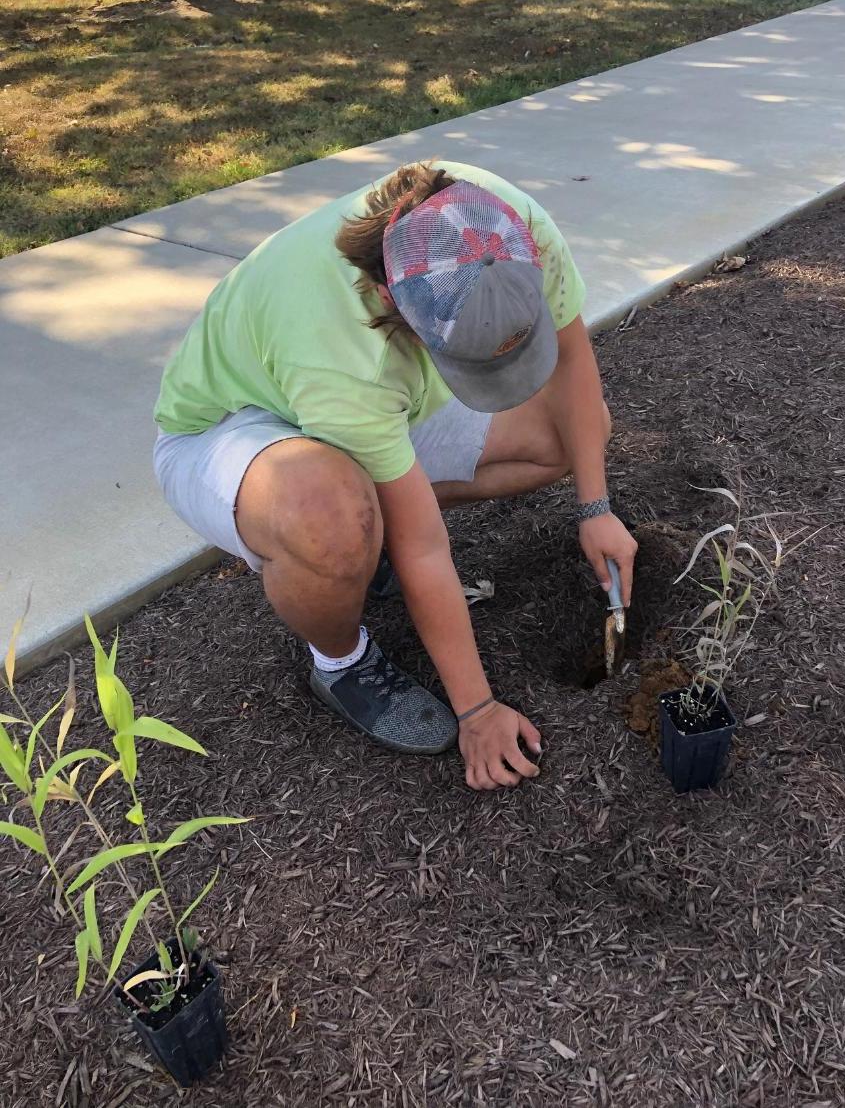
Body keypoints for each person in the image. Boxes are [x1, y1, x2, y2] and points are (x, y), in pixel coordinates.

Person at [153, 162, 637, 792]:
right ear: (392, 301)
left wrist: (594, 507)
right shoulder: (345, 354)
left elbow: (573, 358)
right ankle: (341, 660)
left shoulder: (504, 222)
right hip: (233, 429)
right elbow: (425, 546)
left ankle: (361, 538)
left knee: (574, 432)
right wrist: (478, 710)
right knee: (331, 520)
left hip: (364, 409)